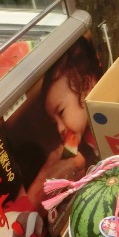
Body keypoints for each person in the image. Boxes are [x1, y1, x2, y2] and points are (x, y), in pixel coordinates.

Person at [41, 36, 103, 170]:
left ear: (86, 86)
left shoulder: (110, 114)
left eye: (61, 112)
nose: (60, 128)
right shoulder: (86, 139)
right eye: (55, 122)